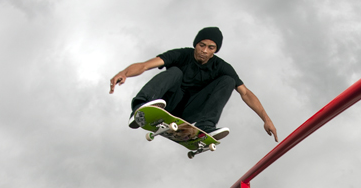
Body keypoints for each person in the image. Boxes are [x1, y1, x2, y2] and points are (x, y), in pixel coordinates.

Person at [109, 27, 278, 142]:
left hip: (190, 112)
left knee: (229, 81)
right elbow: (145, 65)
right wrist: (124, 73)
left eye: (210, 48)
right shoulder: (182, 54)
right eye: (201, 45)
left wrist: (266, 118)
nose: (204, 51)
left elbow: (246, 93)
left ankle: (206, 126)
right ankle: (139, 108)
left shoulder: (222, 67)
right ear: (195, 44)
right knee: (175, 71)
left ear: (215, 50)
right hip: (168, 103)